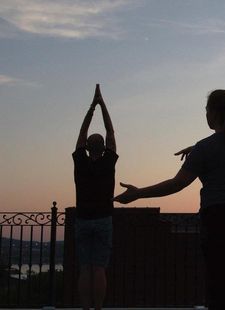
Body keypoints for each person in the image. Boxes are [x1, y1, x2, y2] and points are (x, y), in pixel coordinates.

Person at [114, 89, 225, 310]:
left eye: (206, 110)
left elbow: (177, 184)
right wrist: (196, 149)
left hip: (219, 218)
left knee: (219, 284)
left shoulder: (205, 148)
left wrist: (138, 193)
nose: (205, 115)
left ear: (214, 113)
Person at [73, 84, 118, 310]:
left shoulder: (80, 161)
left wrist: (92, 107)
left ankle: (85, 308)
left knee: (85, 268)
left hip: (82, 218)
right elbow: (111, 133)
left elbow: (82, 133)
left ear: (88, 147)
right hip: (103, 219)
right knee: (99, 268)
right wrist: (102, 105)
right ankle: (98, 308)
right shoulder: (109, 162)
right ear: (102, 148)